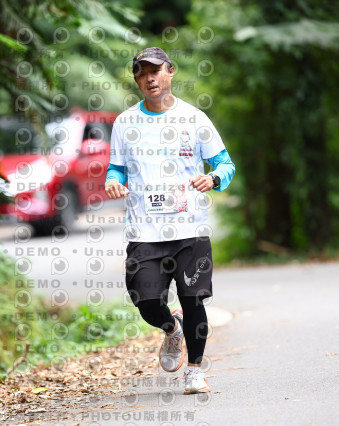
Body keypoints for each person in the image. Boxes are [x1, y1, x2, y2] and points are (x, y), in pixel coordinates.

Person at [104, 47, 235, 394]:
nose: (150, 78)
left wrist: (213, 178)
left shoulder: (194, 118)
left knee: (193, 299)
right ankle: (171, 329)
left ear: (170, 71)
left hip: (190, 228)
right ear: (136, 79)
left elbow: (225, 165)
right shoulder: (125, 123)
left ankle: (194, 371)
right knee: (146, 301)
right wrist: (112, 181)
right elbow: (116, 168)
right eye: (142, 73)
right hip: (144, 230)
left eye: (156, 71)